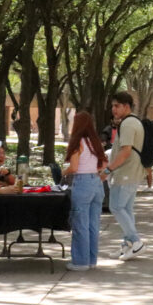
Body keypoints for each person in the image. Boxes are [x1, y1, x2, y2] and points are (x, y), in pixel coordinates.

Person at [100, 92, 147, 260]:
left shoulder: (127, 124)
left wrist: (107, 170)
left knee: (116, 207)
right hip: (131, 172)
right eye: (112, 106)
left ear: (126, 106)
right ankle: (127, 245)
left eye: (117, 106)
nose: (113, 109)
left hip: (126, 173)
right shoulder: (133, 122)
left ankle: (136, 242)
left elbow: (126, 151)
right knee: (126, 209)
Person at [64, 111, 107, 271]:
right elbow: (104, 165)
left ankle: (80, 262)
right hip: (96, 182)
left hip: (82, 183)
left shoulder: (78, 143)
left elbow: (74, 167)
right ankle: (91, 260)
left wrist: (63, 172)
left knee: (80, 224)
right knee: (93, 225)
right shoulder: (95, 143)